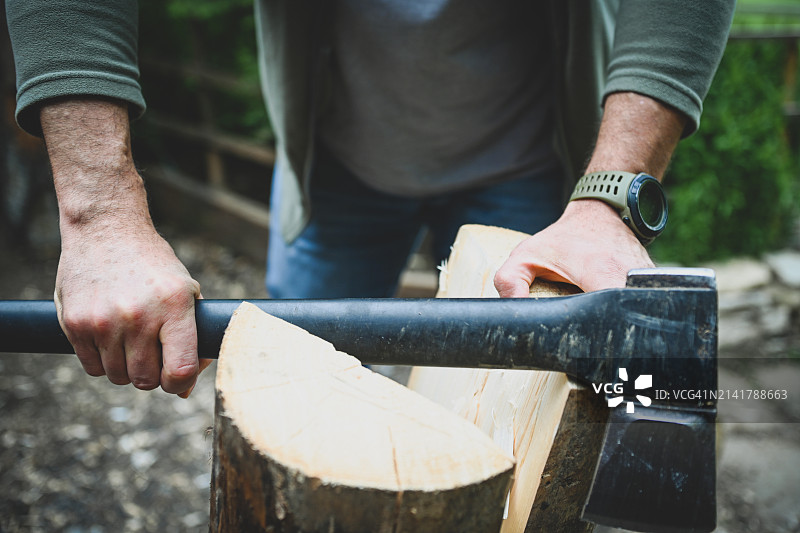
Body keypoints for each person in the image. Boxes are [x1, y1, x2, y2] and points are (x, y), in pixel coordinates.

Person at [5, 1, 735, 397]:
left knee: (527, 412)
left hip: (526, 169)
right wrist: (98, 215)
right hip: (336, 173)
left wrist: (606, 200)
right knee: (296, 392)